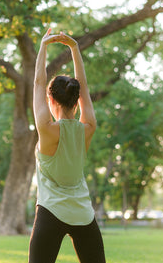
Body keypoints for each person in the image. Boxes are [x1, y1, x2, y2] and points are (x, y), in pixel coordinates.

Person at [29, 29, 106, 263]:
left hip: (50, 212)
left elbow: (37, 82)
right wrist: (74, 47)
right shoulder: (88, 127)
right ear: (76, 99)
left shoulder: (47, 129)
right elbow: (84, 89)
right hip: (82, 213)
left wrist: (43, 46)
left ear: (50, 100)